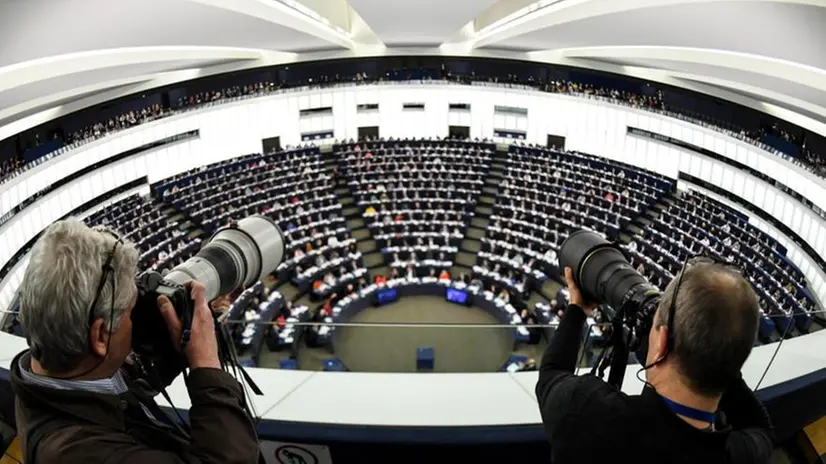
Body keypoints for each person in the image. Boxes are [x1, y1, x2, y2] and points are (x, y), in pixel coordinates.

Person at [10, 219, 258, 463]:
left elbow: (128, 383)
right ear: (99, 337)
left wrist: (185, 330)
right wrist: (206, 363)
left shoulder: (49, 372)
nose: (137, 317)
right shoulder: (80, 455)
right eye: (132, 310)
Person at [536, 265, 773, 463]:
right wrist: (720, 356)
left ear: (660, 342)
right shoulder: (745, 453)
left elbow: (552, 373)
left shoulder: (585, 411)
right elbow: (761, 428)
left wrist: (577, 309)